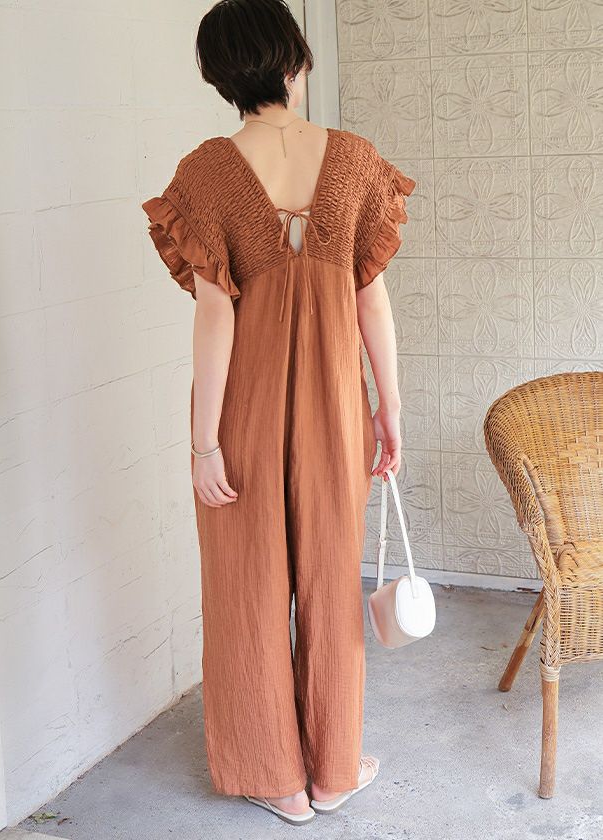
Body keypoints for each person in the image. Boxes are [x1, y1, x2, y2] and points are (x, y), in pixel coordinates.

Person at [141, 0, 415, 826]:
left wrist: (203, 444)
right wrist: (388, 408)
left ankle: (277, 779)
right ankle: (333, 770)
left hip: (243, 413)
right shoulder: (355, 160)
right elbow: (372, 303)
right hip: (336, 406)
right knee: (330, 579)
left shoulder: (204, 173)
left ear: (218, 75)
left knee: (246, 584)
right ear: (295, 61)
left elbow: (214, 315)